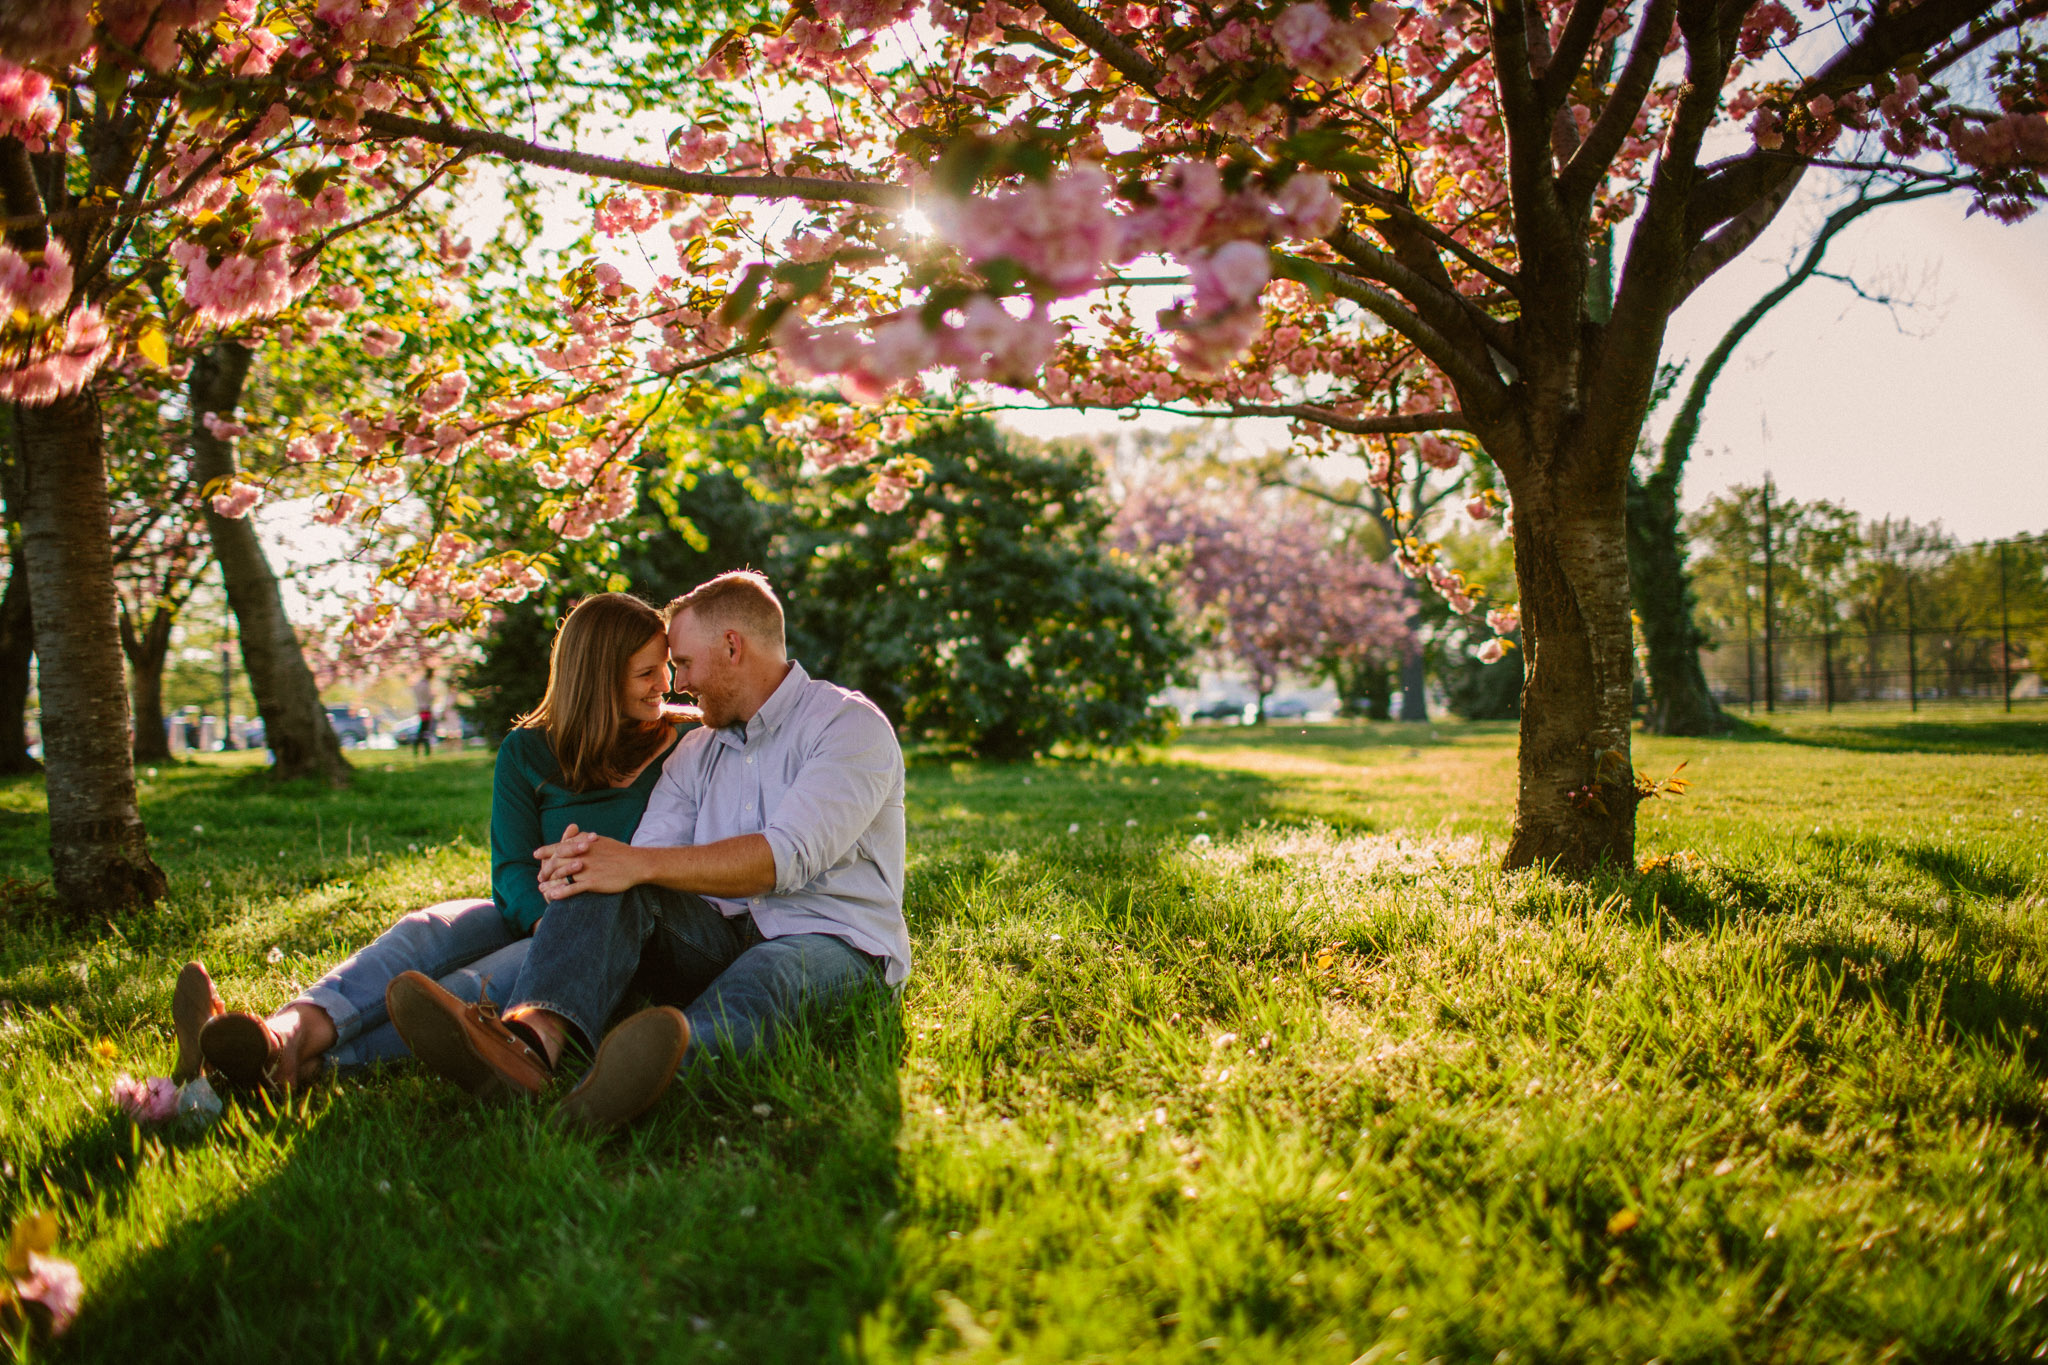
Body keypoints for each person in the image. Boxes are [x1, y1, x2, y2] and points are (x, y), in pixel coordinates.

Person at [386, 570, 907, 1133]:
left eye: (681, 662)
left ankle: (648, 1076)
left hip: (832, 938)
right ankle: (531, 1043)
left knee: (766, 977)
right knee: (609, 878)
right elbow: (645, 859)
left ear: (732, 646)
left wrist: (635, 863)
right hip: (716, 932)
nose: (676, 684)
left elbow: (784, 858)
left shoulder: (847, 725)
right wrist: (588, 861)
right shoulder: (697, 751)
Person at [170, 593, 687, 1090]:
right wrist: (546, 921)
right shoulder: (526, 750)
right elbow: (510, 870)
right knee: (424, 933)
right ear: (596, 679)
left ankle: (286, 1064)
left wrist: (570, 936)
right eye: (647, 672)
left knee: (465, 989)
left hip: (608, 932)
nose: (665, 683)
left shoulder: (686, 742)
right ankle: (282, 1034)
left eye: (664, 666)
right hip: (534, 912)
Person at [412, 667, 437, 757]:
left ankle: (423, 747)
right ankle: (424, 747)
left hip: (421, 708)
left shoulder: (419, 684)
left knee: (424, 730)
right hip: (425, 709)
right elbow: (429, 697)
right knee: (425, 730)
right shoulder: (426, 685)